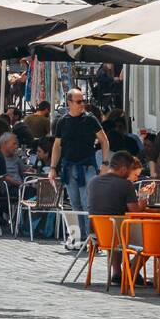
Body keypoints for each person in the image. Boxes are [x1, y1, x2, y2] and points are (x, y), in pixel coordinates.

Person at [51, 88, 109, 230]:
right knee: (75, 203)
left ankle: (91, 237)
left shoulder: (90, 119)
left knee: (87, 202)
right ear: (69, 103)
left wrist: (105, 163)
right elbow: (57, 145)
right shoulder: (62, 121)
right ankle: (81, 237)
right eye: (78, 101)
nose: (81, 104)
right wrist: (52, 168)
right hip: (69, 168)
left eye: (83, 101)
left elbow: (104, 140)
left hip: (87, 166)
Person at [88, 150, 148, 217]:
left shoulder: (93, 181)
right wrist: (143, 201)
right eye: (130, 170)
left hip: (96, 226)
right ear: (124, 169)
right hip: (117, 226)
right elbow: (135, 211)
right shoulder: (126, 184)